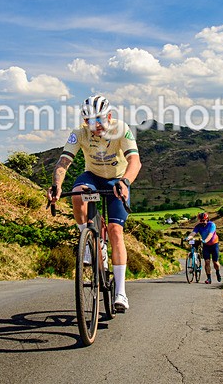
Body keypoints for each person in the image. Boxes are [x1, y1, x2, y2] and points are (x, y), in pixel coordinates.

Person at [47, 95, 142, 312]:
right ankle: (89, 241)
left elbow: (135, 161)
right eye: (90, 120)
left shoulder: (121, 128)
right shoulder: (78, 133)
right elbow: (63, 161)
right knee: (77, 194)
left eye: (99, 119)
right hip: (92, 176)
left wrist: (125, 182)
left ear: (109, 116)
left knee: (116, 231)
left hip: (117, 180)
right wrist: (56, 185)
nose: (95, 125)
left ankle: (120, 292)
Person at [185, 212, 221, 284]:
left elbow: (210, 235)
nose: (202, 222)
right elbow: (193, 233)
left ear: (207, 219)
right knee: (207, 262)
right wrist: (188, 238)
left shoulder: (212, 225)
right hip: (206, 246)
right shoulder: (198, 226)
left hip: (214, 245)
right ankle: (209, 278)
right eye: (201, 220)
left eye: (203, 220)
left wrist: (205, 240)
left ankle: (217, 272)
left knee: (215, 262)